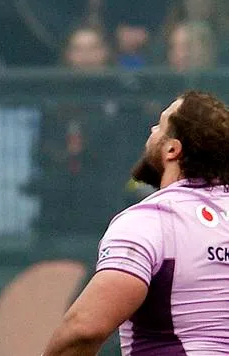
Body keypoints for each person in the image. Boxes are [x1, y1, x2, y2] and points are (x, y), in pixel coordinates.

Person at [43, 90, 229, 355]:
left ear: (172, 149)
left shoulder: (151, 221)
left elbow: (83, 330)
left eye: (161, 123)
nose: (153, 128)